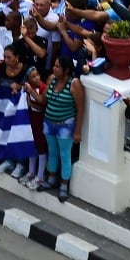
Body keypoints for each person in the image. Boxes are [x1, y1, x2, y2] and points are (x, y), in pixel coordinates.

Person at [33, 55, 83, 201]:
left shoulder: (74, 84)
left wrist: (77, 131)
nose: (54, 68)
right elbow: (43, 99)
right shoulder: (51, 80)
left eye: (57, 66)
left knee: (64, 155)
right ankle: (51, 179)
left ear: (66, 70)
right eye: (54, 65)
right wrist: (31, 91)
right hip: (49, 122)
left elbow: (80, 109)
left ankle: (64, 186)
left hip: (65, 126)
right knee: (52, 152)